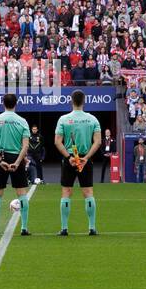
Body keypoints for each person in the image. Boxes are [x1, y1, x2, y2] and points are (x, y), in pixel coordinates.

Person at [54, 90, 100, 236]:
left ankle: (64, 228)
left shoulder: (63, 119)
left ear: (71, 101)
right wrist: (86, 158)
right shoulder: (92, 119)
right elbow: (98, 142)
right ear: (84, 101)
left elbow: (57, 142)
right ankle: (92, 228)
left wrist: (69, 158)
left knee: (66, 192)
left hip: (70, 160)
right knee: (88, 192)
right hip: (85, 160)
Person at [0, 93, 31, 236]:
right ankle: (24, 228)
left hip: (2, 156)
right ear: (16, 104)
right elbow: (25, 146)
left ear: (3, 103)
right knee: (22, 193)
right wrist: (18, 162)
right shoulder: (22, 121)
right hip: (16, 156)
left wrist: (0, 161)